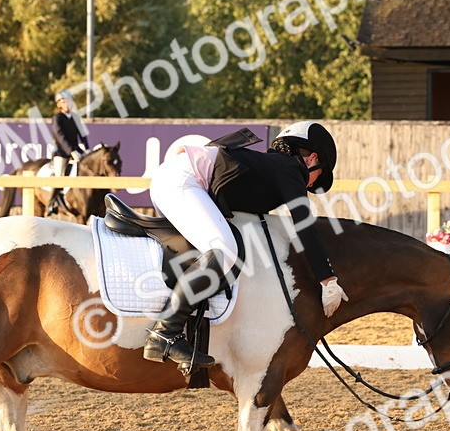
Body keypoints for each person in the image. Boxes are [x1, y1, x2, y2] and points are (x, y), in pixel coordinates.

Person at [143, 121, 348, 370]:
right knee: (225, 251)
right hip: (183, 181)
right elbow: (304, 225)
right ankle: (165, 331)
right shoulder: (289, 168)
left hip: (180, 179)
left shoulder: (267, 167)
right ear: (312, 158)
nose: (310, 185)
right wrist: (327, 280)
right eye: (318, 176)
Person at [48, 89, 89, 214]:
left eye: (69, 102)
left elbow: (82, 134)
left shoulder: (75, 117)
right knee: (60, 174)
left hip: (76, 151)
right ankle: (52, 201)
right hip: (62, 153)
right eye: (65, 102)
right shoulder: (57, 118)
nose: (68, 104)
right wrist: (71, 151)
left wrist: (87, 148)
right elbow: (61, 137)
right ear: (59, 104)